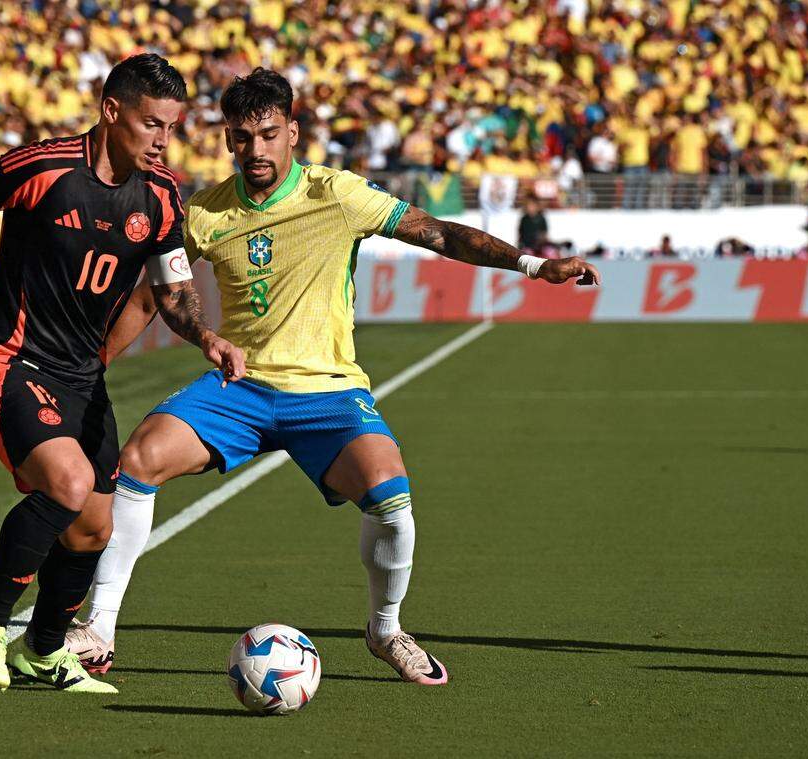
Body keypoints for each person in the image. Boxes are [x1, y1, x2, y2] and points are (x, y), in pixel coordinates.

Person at [66, 69, 600, 685]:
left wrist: (534, 265)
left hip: (329, 391)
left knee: (391, 495)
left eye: (268, 135)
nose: (256, 151)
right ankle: (99, 629)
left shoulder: (337, 195)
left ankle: (386, 628)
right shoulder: (206, 213)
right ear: (227, 141)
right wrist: (96, 364)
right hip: (242, 388)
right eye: (242, 138)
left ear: (292, 132)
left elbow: (440, 233)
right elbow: (155, 296)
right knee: (138, 458)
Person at [0, 54, 244, 694]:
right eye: (151, 124)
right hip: (10, 360)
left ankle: (44, 650)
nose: (163, 139)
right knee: (69, 482)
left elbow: (171, 291)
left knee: (94, 527)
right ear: (112, 112)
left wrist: (205, 337)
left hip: (82, 379)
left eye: (171, 126)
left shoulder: (163, 195)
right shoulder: (41, 168)